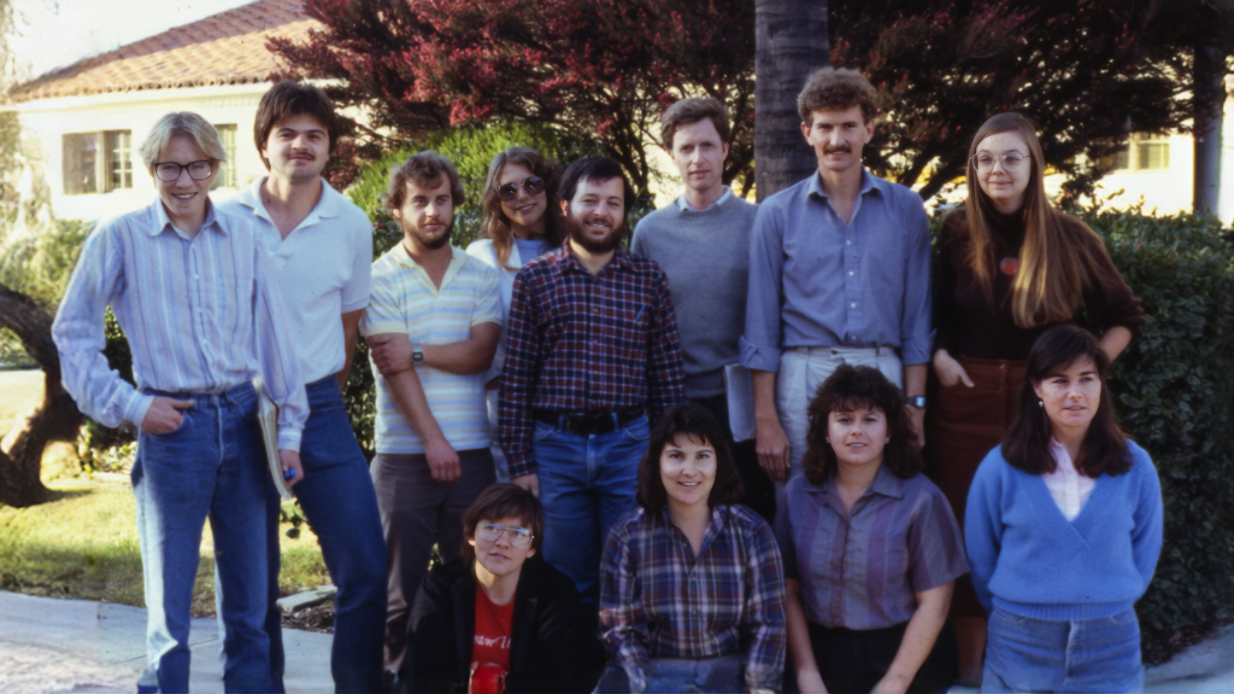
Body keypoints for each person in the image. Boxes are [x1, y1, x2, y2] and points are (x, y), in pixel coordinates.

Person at [52, 111, 308, 693]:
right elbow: (73, 335)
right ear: (151, 169)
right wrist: (132, 406)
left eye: (197, 165)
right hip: (173, 432)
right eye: (169, 166)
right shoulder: (118, 238)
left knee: (250, 608)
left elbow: (275, 334)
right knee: (169, 617)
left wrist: (289, 431)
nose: (184, 180)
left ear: (216, 167)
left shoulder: (246, 234)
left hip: (246, 424)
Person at [928, 111, 1145, 684]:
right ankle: (975, 675)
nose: (997, 169)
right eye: (985, 159)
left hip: (1042, 403)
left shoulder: (1069, 236)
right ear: (973, 168)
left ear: (1033, 165)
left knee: (1038, 524)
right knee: (961, 533)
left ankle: (1036, 663)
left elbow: (1125, 316)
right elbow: (938, 317)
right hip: (966, 401)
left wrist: (1080, 372)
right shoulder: (955, 233)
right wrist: (941, 356)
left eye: (1011, 157)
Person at [217, 80, 387, 694]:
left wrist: (308, 401)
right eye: (287, 133)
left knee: (366, 566)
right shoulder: (224, 217)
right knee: (249, 582)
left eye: (315, 134)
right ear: (264, 145)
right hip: (234, 409)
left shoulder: (351, 223)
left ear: (330, 147)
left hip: (317, 407)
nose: (301, 144)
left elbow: (346, 333)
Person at [498, 156, 686, 602]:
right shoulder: (535, 280)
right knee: (565, 578)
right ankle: (573, 670)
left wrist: (669, 454)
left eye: (613, 203)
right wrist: (520, 463)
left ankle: (624, 668)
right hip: (555, 450)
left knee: (633, 568)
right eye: (590, 201)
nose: (601, 212)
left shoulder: (648, 280)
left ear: (625, 213)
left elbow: (667, 377)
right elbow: (517, 378)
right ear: (564, 206)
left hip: (629, 447)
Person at [741, 67, 932, 488]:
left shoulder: (905, 209)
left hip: (883, 370)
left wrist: (915, 405)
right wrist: (766, 419)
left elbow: (918, 319)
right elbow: (760, 326)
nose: (836, 140)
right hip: (803, 376)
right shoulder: (775, 214)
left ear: (869, 129)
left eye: (849, 126)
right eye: (825, 127)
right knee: (800, 503)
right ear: (807, 131)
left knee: (882, 500)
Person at [361, 151, 502, 679]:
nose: (432, 212)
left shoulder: (478, 274)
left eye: (441, 199)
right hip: (404, 460)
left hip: (473, 457)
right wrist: (434, 442)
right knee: (397, 599)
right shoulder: (378, 278)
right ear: (398, 209)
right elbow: (392, 371)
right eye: (419, 201)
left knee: (473, 590)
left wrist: (418, 349)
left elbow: (481, 352)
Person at [966, 325, 1163, 692]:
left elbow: (1146, 549)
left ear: (1101, 385)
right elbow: (981, 557)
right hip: (1019, 643)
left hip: (1111, 643)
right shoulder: (1000, 468)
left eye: (1086, 379)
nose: (1075, 393)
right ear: (1038, 389)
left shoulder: (1136, 466)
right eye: (1059, 381)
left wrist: (1113, 596)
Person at [776, 365, 967, 694]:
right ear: (825, 430)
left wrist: (896, 681)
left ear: (889, 429)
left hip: (903, 657)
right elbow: (788, 593)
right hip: (820, 654)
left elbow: (935, 604)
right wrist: (807, 673)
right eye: (844, 420)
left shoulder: (922, 500)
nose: (856, 431)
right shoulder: (797, 495)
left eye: (870, 419)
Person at [631, 97, 774, 522]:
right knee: (685, 515)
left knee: (750, 510)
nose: (698, 158)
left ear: (726, 148)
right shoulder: (650, 233)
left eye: (708, 146)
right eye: (686, 148)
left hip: (744, 401)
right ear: (672, 155)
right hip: (675, 397)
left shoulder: (760, 222)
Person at [596, 404, 786, 694]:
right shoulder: (627, 535)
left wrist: (758, 688)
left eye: (702, 457)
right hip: (655, 674)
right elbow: (621, 630)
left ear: (719, 463)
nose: (689, 470)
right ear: (656, 463)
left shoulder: (752, 532)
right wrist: (639, 686)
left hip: (732, 674)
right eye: (676, 456)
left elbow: (768, 625)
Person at [403, 483, 593, 693]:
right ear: (471, 534)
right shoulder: (439, 587)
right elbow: (423, 676)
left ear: (532, 548)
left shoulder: (556, 592)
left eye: (518, 533)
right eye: (492, 528)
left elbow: (557, 680)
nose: (503, 542)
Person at [466, 147, 565, 482]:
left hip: (566, 412)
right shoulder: (481, 256)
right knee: (516, 521)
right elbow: (472, 338)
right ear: (497, 200)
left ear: (548, 187)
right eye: (509, 189)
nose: (522, 196)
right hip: (505, 411)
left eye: (532, 184)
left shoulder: (575, 249)